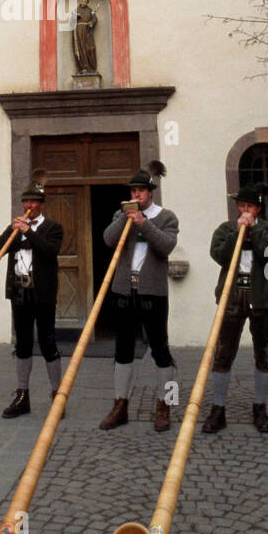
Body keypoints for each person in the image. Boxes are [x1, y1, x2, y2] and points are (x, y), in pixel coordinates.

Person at [99, 162, 179, 432]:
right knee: (122, 350)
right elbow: (108, 240)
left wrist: (144, 224)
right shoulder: (121, 215)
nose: (137, 195)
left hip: (152, 292)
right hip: (124, 290)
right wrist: (126, 216)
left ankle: (166, 405)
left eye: (141, 191)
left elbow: (166, 246)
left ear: (151, 192)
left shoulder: (166, 217)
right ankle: (120, 405)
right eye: (133, 190)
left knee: (161, 351)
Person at [201, 182, 268, 434]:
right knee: (223, 354)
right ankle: (218, 409)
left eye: (249, 206)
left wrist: (254, 232)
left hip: (260, 299)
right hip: (232, 297)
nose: (244, 210)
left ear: (258, 209)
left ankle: (260, 406)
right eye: (241, 205)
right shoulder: (226, 229)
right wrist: (238, 234)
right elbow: (219, 256)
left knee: (263, 354)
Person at [0, 180, 64, 418]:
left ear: (42, 204)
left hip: (42, 293)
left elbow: (49, 251)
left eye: (33, 201)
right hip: (20, 292)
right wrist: (10, 231)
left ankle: (57, 394)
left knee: (48, 343)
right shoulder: (15, 229)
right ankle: (22, 395)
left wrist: (28, 232)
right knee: (22, 344)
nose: (28, 205)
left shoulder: (53, 227)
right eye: (25, 201)